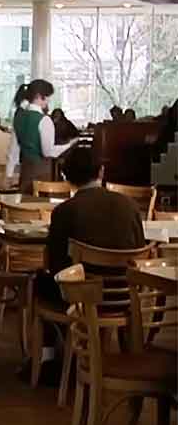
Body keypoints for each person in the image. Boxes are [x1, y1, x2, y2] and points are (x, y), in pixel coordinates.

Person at [28, 146, 147, 382]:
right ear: (101, 171)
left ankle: (50, 358)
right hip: (124, 296)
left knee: (41, 281)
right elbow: (138, 255)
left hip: (82, 298)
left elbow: (57, 265)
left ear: (65, 176)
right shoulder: (130, 206)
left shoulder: (65, 211)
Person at [6, 79, 78, 195]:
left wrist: (8, 174)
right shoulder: (44, 120)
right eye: (48, 96)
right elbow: (48, 152)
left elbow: (13, 151)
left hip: (25, 171)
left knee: (25, 207)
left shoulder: (18, 118)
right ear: (40, 96)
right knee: (40, 208)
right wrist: (69, 145)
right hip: (41, 172)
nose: (49, 100)